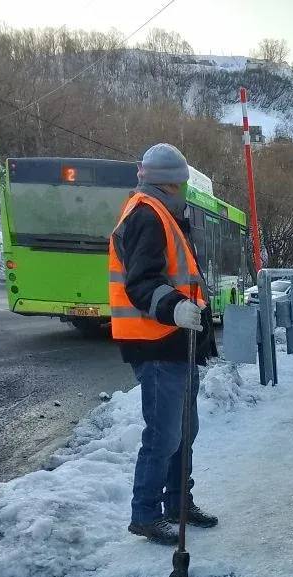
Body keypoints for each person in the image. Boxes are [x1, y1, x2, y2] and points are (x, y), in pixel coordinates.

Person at [109, 142, 219, 546]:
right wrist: (173, 308)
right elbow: (141, 281)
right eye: (182, 184)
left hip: (175, 342)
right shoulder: (146, 216)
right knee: (164, 433)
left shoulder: (166, 214)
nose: (185, 190)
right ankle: (146, 513)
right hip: (155, 342)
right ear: (170, 184)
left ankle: (177, 503)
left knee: (183, 431)